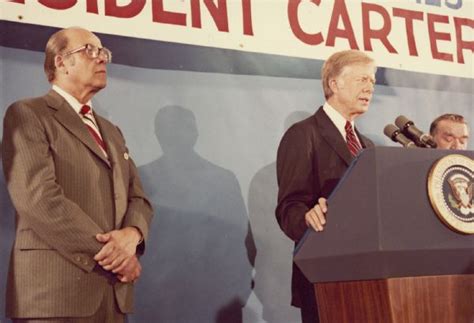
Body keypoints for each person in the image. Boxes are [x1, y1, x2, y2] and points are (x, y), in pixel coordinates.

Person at [1, 27, 153, 323]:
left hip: (112, 296)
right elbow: (38, 198)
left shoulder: (111, 131)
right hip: (54, 295)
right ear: (61, 62)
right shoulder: (28, 114)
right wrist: (116, 256)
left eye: (104, 53)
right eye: (90, 50)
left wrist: (133, 235)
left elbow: (139, 198)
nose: (102, 59)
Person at [275, 50, 376, 323]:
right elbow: (289, 206)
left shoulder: (368, 146)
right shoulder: (303, 134)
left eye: (373, 81)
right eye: (362, 79)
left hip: (369, 275)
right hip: (324, 276)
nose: (370, 87)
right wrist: (308, 218)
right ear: (334, 84)